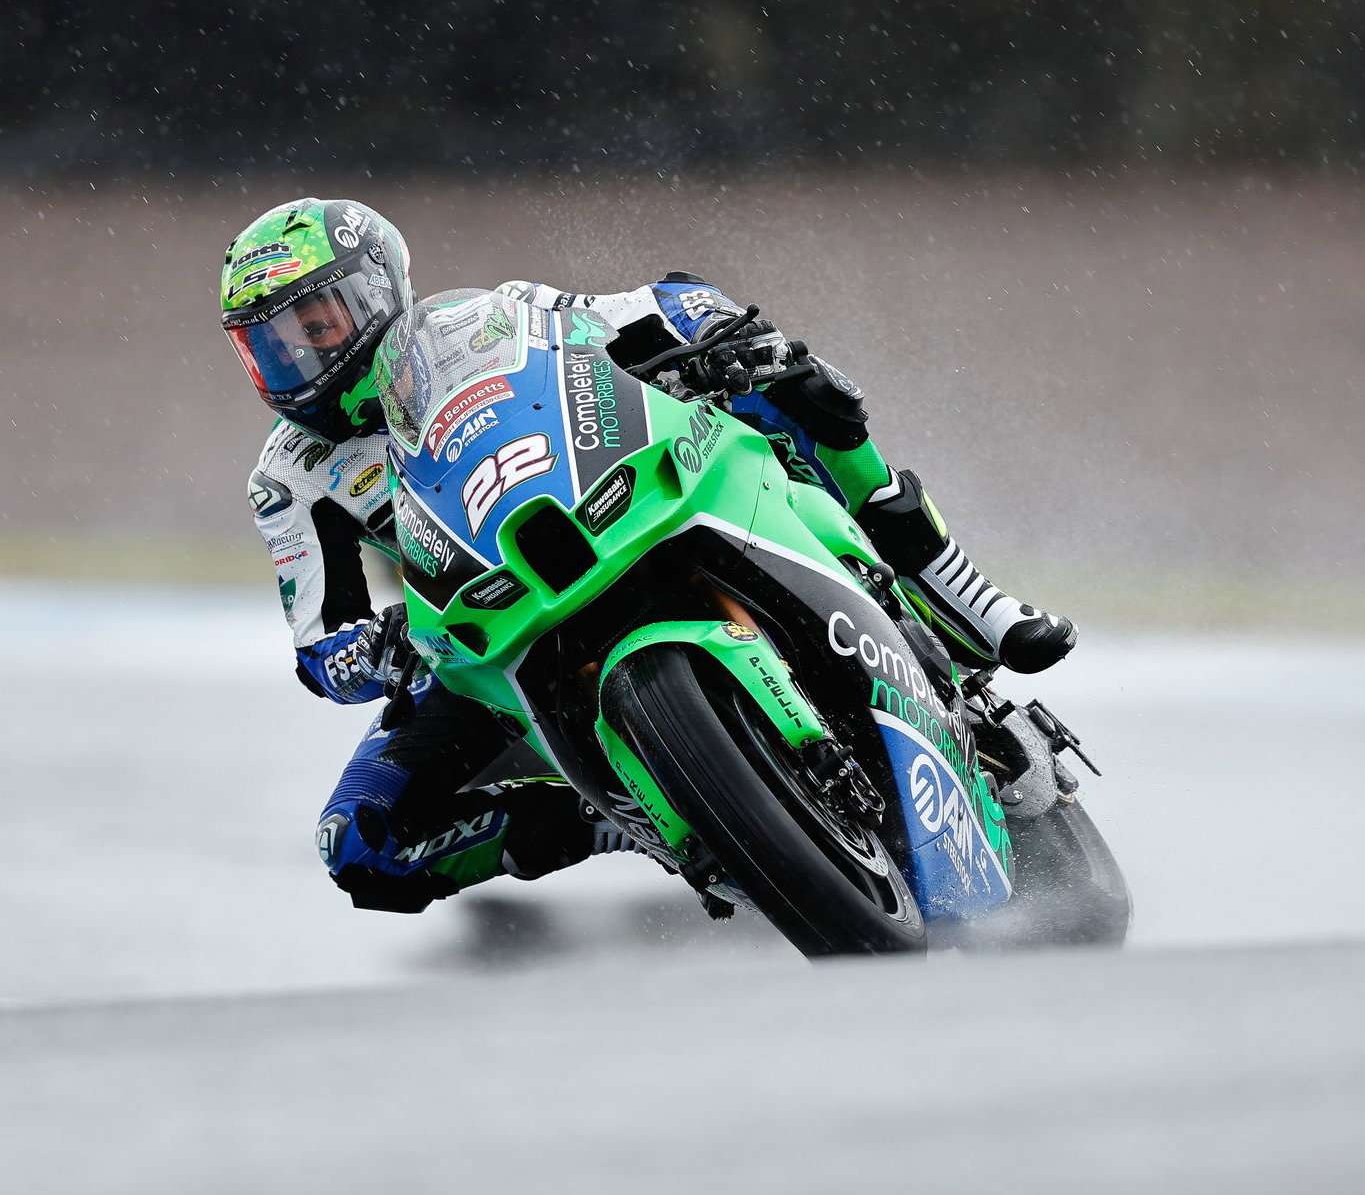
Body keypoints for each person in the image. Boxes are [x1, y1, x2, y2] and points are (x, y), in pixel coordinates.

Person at [222, 197, 1075, 914]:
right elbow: (316, 638)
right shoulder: (287, 476)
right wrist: (370, 653)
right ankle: (624, 819)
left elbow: (636, 308)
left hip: (624, 495)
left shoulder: (481, 317)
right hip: (482, 618)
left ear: (377, 290)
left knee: (802, 390)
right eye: (268, 343)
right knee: (359, 844)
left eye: (314, 322)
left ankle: (955, 591)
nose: (297, 356)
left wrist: (711, 329)